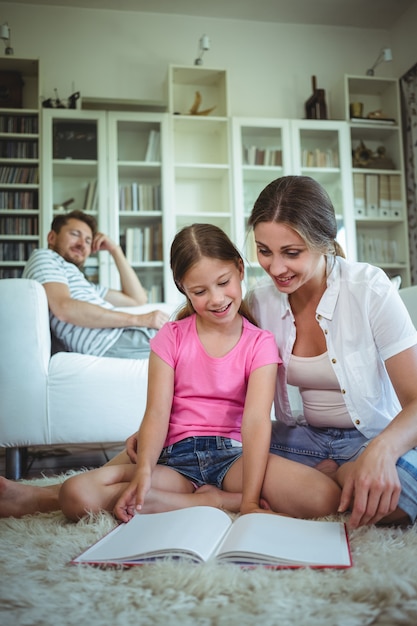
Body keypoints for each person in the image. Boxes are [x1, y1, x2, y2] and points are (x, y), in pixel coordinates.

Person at [56, 223, 341, 522]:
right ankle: (211, 501)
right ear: (183, 288)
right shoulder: (171, 336)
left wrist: (250, 499)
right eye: (200, 291)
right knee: (77, 495)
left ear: (240, 269)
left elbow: (256, 422)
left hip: (234, 458)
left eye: (223, 282)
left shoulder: (260, 342)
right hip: (175, 460)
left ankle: (214, 498)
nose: (216, 299)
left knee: (323, 497)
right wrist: (144, 473)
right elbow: (156, 413)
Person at [244, 174, 417, 530]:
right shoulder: (259, 302)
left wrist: (382, 452)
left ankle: (327, 483)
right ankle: (338, 483)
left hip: (368, 439)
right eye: (264, 251)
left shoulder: (369, 288)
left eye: (291, 253)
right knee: (218, 456)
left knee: (407, 490)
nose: (275, 268)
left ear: (325, 242)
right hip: (296, 441)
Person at [22, 209, 169, 359]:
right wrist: (141, 320)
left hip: (123, 337)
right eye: (74, 234)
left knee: (189, 334)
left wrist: (115, 250)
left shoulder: (83, 285)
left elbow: (137, 298)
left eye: (88, 241)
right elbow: (63, 308)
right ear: (52, 237)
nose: (82, 244)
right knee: (190, 340)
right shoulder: (45, 257)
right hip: (111, 341)